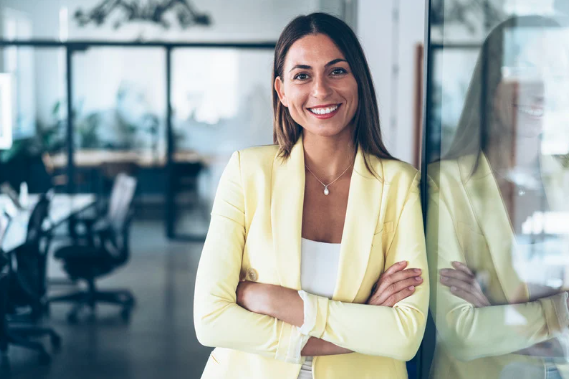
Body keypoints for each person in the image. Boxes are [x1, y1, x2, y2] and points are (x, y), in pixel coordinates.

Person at [194, 12, 429, 379]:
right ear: (282, 91)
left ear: (359, 81)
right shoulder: (247, 172)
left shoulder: (399, 185)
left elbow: (405, 336)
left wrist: (276, 301)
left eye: (337, 71)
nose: (320, 90)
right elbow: (210, 320)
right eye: (302, 75)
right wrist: (361, 324)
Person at [427, 15, 569, 379]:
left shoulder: (566, 178)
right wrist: (557, 314)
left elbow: (482, 330)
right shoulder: (446, 184)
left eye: (553, 73)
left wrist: (496, 315)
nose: (539, 89)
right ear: (491, 84)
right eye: (524, 70)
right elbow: (462, 335)